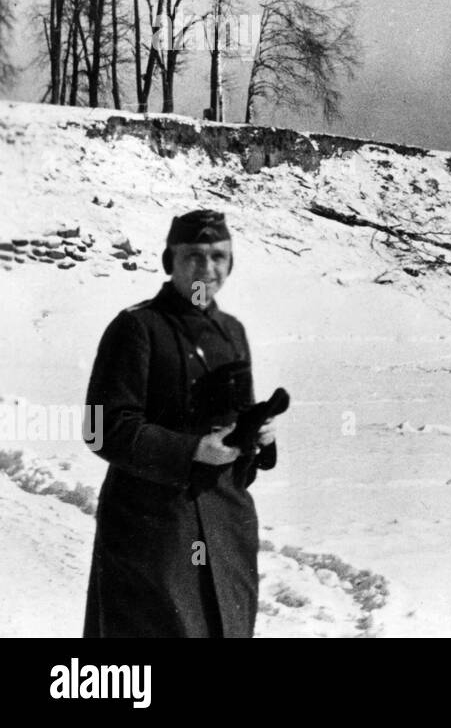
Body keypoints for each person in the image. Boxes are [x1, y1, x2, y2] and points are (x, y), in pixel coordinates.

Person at [82, 210, 277, 638]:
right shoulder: (137, 327)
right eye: (194, 256)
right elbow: (100, 428)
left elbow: (234, 419)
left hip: (226, 521)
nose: (207, 269)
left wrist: (256, 437)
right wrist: (191, 451)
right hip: (154, 529)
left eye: (218, 257)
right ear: (170, 261)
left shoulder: (232, 332)